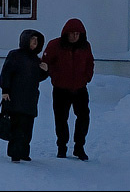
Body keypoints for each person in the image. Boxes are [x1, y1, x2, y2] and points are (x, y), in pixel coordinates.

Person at [42, 17, 94, 160]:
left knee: (83, 118)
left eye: (78, 33)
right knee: (60, 119)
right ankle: (62, 147)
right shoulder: (54, 45)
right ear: (66, 33)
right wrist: (53, 74)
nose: (75, 36)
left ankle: (79, 147)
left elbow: (90, 63)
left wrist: (87, 78)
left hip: (80, 89)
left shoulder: (85, 46)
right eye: (72, 33)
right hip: (60, 89)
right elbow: (45, 64)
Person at [0, 28, 48, 163]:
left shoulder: (35, 59)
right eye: (32, 40)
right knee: (16, 127)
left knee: (28, 128)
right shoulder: (15, 55)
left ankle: (24, 152)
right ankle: (15, 153)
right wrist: (5, 90)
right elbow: (6, 73)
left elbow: (37, 78)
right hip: (15, 98)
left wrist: (45, 71)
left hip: (30, 99)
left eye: (37, 41)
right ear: (25, 41)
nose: (35, 43)